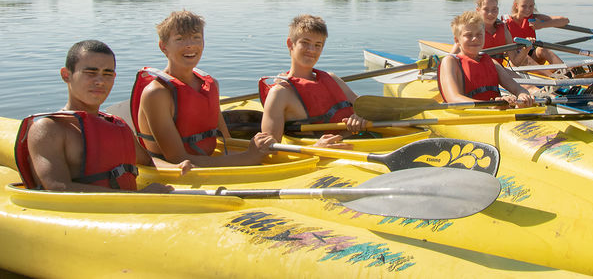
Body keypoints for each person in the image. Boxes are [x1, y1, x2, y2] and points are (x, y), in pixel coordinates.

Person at [14, 40, 191, 193]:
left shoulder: (116, 124)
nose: (100, 81)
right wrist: (141, 196)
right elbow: (58, 188)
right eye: (90, 73)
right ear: (66, 75)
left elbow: (147, 161)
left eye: (107, 74)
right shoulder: (49, 129)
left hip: (130, 212)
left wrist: (176, 168)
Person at [131, 10, 273, 166]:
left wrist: (256, 148)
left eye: (196, 38)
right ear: (163, 46)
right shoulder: (157, 93)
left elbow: (227, 142)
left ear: (203, 42)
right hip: (175, 171)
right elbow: (177, 158)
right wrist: (247, 158)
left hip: (207, 161)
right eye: (180, 39)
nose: (190, 45)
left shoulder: (210, 84)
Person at [260, 14, 366, 147]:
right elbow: (268, 149)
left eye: (318, 45)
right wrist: (316, 148)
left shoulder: (332, 79)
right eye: (305, 43)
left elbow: (367, 107)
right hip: (316, 157)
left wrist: (361, 116)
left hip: (359, 144)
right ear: (290, 44)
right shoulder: (280, 93)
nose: (311, 50)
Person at [438, 11, 534, 106]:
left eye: (479, 34)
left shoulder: (492, 63)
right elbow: (453, 99)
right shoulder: (450, 62)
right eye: (468, 35)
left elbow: (518, 88)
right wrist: (491, 105)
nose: (475, 38)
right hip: (469, 116)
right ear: (457, 40)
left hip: (495, 112)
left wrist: (522, 95)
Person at [451, 0, 530, 67]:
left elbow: (515, 62)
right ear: (478, 10)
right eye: (486, 9)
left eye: (494, 9)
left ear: (498, 9)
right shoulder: (470, 29)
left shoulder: (504, 28)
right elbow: (452, 56)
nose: (490, 14)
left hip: (497, 71)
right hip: (475, 70)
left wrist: (525, 50)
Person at [505, 0, 569, 66]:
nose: (528, 9)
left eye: (531, 6)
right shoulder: (505, 22)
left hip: (532, 55)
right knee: (525, 57)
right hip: (514, 59)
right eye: (524, 6)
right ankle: (549, 75)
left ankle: (568, 72)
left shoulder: (534, 18)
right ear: (516, 5)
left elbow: (565, 20)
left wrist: (542, 25)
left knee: (542, 49)